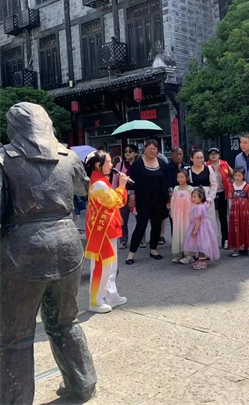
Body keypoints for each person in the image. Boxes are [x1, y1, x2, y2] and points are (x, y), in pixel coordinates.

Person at [0, 103, 97, 403]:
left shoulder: (4, 159)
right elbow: (83, 188)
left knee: (15, 335)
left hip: (23, 250)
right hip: (67, 244)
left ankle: (15, 399)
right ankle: (83, 384)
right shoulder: (67, 156)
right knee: (66, 320)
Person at [84, 151, 129, 314]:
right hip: (100, 230)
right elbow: (115, 201)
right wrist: (122, 186)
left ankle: (111, 295)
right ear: (98, 165)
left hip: (107, 227)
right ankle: (95, 300)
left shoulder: (102, 181)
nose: (111, 165)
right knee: (102, 266)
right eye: (108, 162)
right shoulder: (98, 184)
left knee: (111, 265)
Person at [126, 139, 169, 265]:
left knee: (156, 225)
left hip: (159, 200)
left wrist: (169, 196)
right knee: (141, 225)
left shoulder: (162, 163)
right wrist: (132, 197)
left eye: (155, 149)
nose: (152, 151)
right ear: (145, 149)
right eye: (150, 148)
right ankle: (131, 253)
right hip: (143, 200)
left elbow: (166, 181)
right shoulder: (138, 164)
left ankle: (153, 250)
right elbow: (131, 182)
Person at [113, 144, 145, 249]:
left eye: (130, 151)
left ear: (136, 153)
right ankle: (123, 241)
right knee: (123, 220)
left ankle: (141, 240)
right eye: (126, 151)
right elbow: (115, 182)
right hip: (122, 196)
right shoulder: (120, 165)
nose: (127, 153)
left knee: (140, 219)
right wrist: (114, 194)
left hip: (137, 196)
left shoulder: (140, 164)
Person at [186, 149, 220, 244]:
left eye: (201, 158)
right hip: (193, 200)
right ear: (191, 158)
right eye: (197, 158)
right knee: (194, 221)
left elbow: (214, 185)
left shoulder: (209, 169)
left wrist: (210, 198)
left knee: (207, 222)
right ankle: (194, 245)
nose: (199, 160)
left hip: (206, 199)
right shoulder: (188, 170)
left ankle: (208, 246)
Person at [184, 188, 220, 270]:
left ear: (201, 197)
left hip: (201, 227)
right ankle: (200, 260)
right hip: (205, 226)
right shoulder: (203, 205)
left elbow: (198, 219)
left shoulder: (199, 208)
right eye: (192, 197)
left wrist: (195, 230)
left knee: (201, 243)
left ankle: (203, 261)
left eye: (195, 197)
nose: (193, 198)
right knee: (202, 243)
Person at [207, 147, 233, 249]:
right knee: (209, 217)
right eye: (211, 154)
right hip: (210, 194)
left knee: (223, 217)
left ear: (219, 155)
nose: (213, 156)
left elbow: (233, 175)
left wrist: (228, 182)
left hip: (222, 192)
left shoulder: (224, 164)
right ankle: (211, 241)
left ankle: (225, 239)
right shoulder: (206, 166)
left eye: (215, 154)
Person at [228, 167, 249, 257]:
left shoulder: (247, 186)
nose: (237, 177)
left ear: (243, 176)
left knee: (246, 226)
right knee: (236, 226)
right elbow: (230, 199)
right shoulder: (231, 186)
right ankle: (236, 247)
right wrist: (230, 210)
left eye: (239, 175)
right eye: (235, 175)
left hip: (245, 209)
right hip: (235, 210)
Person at [169, 169, 194, 263]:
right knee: (178, 232)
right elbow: (173, 201)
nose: (179, 179)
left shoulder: (190, 189)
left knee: (186, 232)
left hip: (187, 216)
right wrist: (172, 213)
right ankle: (178, 253)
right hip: (178, 215)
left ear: (187, 178)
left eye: (182, 177)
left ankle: (188, 254)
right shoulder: (176, 189)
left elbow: (193, 202)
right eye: (178, 177)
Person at [166, 147, 189, 236]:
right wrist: (170, 194)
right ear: (172, 155)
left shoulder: (186, 166)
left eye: (180, 154)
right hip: (173, 194)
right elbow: (167, 182)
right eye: (176, 154)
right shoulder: (167, 167)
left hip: (185, 195)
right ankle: (175, 238)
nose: (179, 156)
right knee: (174, 218)